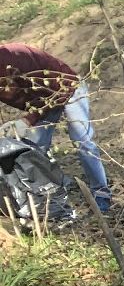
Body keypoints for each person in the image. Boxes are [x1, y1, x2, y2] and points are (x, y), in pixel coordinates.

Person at [0, 43, 112, 213]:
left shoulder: (14, 58)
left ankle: (101, 194)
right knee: (34, 150)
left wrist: (27, 120)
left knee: (83, 142)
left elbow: (57, 90)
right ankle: (50, 202)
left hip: (68, 88)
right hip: (40, 102)